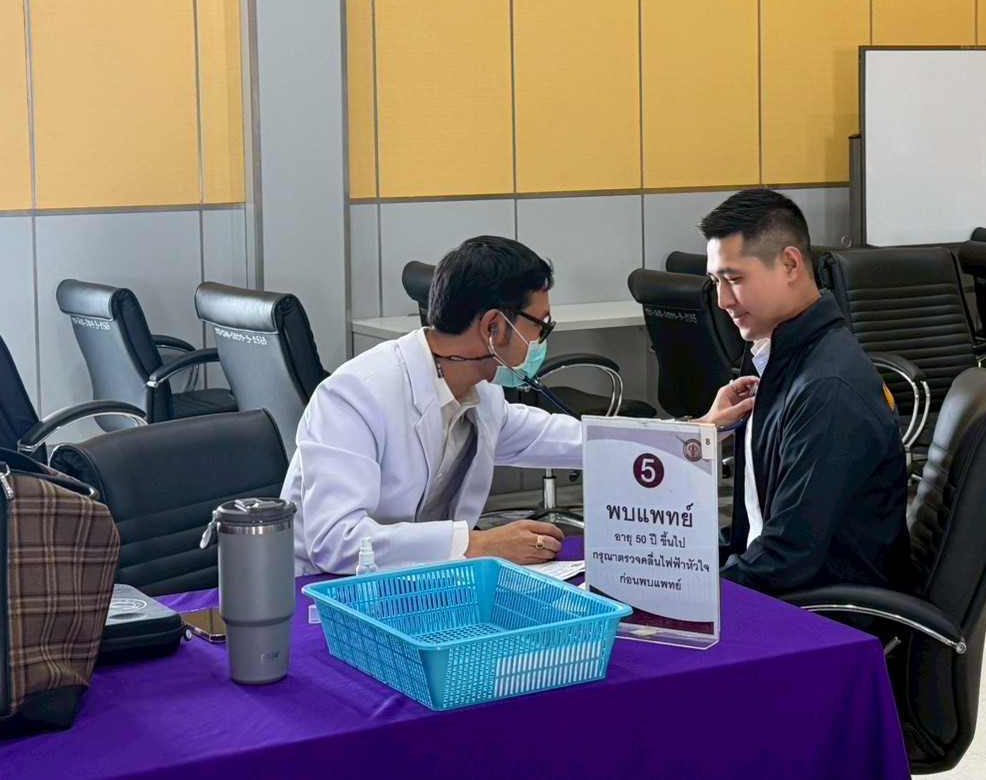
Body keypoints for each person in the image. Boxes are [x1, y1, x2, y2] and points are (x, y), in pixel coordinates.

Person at [283, 235, 752, 575]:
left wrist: (695, 429)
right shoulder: (356, 396)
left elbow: (574, 439)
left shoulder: (481, 396)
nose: (541, 340)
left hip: (417, 588)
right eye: (539, 326)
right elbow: (335, 541)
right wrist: (475, 545)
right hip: (321, 596)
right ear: (493, 326)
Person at [701, 189, 909, 597]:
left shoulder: (827, 388)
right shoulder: (777, 358)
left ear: (790, 264)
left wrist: (691, 594)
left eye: (735, 279)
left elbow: (787, 556)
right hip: (786, 588)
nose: (722, 301)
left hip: (824, 612)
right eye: (715, 282)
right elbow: (757, 527)